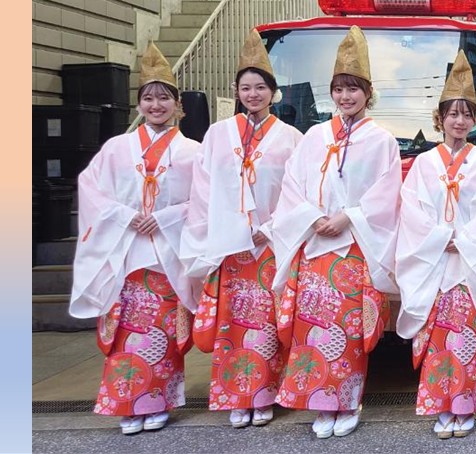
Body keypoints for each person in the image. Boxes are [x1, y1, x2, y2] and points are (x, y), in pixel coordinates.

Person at [265, 26, 402, 439]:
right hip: (315, 247)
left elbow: (387, 194)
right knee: (312, 327)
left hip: (354, 248)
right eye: (339, 89)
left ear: (368, 93)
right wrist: (311, 217)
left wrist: (348, 217)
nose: (345, 96)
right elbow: (293, 185)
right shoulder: (315, 136)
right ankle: (319, 401)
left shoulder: (382, 141)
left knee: (348, 330)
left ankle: (348, 399)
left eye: (353, 88)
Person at [69, 43, 202, 435]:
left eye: (164, 98)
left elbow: (205, 201)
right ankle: (127, 402)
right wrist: (126, 216)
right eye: (148, 98)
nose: (156, 105)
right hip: (125, 252)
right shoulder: (116, 148)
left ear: (178, 105)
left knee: (163, 330)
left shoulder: (193, 152)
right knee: (126, 331)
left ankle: (158, 401)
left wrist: (165, 217)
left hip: (167, 254)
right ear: (139, 104)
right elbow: (91, 189)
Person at [183, 29, 306, 429]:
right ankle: (237, 395)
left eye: (260, 87)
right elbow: (203, 190)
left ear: (274, 92)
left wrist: (269, 227)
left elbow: (297, 193)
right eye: (246, 88)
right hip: (229, 246)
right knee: (232, 323)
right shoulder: (217, 135)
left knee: (267, 323)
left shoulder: (291, 139)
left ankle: (264, 393)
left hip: (269, 245)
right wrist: (219, 229)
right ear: (236, 92)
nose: (253, 94)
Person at [394, 51, 476, 439]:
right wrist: (439, 238)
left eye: (466, 114)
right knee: (437, 339)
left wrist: (462, 240)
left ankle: (464, 406)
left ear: (474, 119)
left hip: (469, 264)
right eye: (452, 114)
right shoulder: (423, 163)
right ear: (440, 118)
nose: (459, 121)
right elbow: (411, 210)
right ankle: (439, 405)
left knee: (467, 337)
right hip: (435, 263)